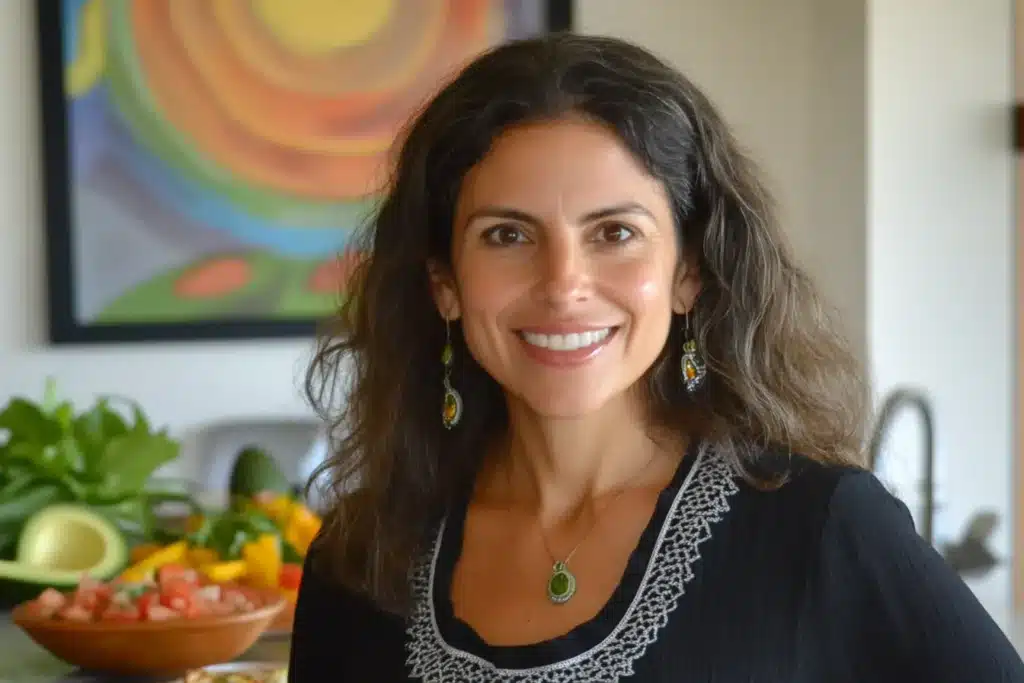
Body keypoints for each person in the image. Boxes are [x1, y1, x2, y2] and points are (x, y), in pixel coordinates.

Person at [289, 33, 1024, 682]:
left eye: (614, 232)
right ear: (443, 283)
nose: (563, 285)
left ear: (688, 273)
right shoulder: (362, 555)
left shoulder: (822, 528)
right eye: (507, 235)